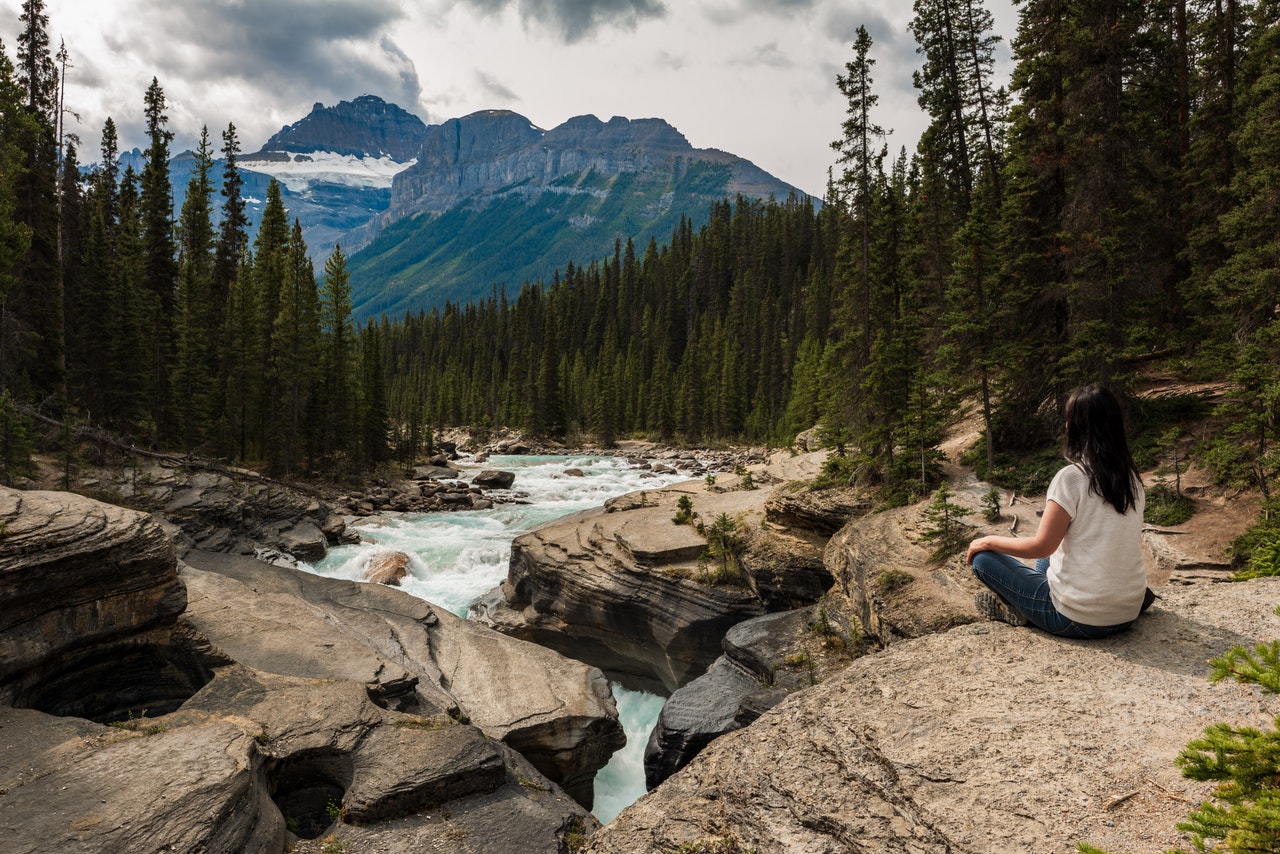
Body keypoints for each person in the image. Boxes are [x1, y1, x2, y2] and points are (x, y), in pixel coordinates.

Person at [966, 384, 1149, 639]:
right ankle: (1025, 605)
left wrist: (986, 540)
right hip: (1128, 612)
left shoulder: (1071, 478)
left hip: (1077, 619)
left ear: (1072, 427)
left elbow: (1041, 547)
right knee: (1053, 553)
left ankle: (1024, 608)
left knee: (983, 560)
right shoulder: (1132, 480)